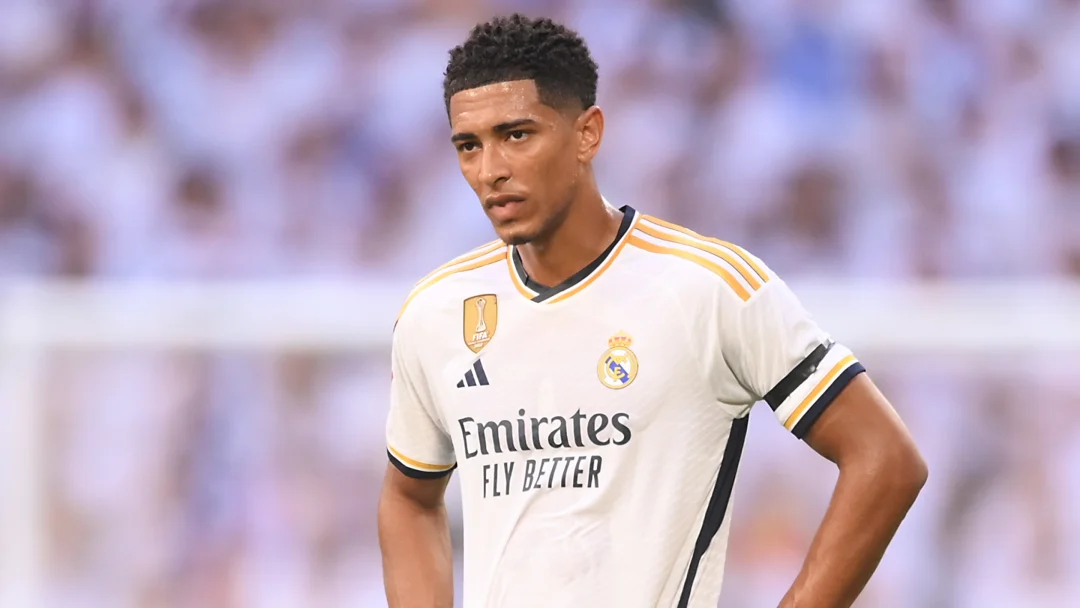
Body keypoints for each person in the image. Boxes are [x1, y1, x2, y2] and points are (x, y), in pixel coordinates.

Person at [378, 14, 927, 608]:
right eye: (469, 145)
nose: (490, 170)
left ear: (588, 134)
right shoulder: (437, 312)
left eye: (516, 135)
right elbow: (409, 496)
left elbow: (886, 458)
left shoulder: (709, 288)